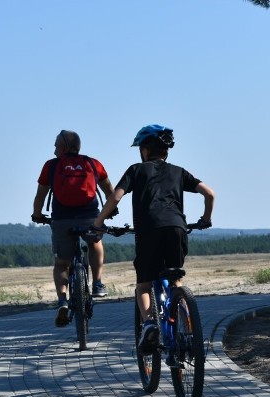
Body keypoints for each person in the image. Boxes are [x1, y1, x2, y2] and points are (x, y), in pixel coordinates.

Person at [92, 124, 215, 352]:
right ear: (166, 151)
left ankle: (149, 324)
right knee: (176, 281)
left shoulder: (136, 170)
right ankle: (188, 331)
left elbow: (115, 199)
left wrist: (98, 223)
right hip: (177, 229)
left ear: (145, 150)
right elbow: (210, 193)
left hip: (148, 231)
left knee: (144, 284)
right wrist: (206, 219)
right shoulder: (179, 171)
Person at [32, 130, 116, 327]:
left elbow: (40, 197)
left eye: (56, 146)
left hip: (62, 218)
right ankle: (97, 283)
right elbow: (109, 190)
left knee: (62, 263)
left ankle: (62, 301)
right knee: (95, 242)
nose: (54, 150)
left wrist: (37, 214)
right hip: (90, 216)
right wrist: (112, 210)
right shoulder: (93, 164)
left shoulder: (51, 166)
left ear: (64, 147)